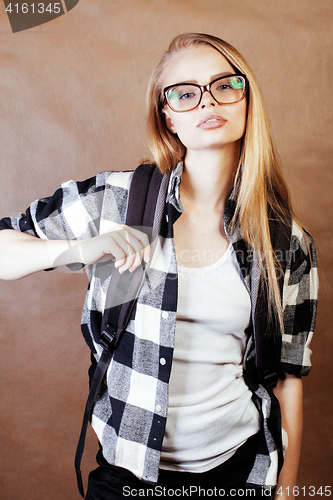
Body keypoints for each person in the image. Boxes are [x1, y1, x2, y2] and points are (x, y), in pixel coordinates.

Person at [0, 33, 318, 500]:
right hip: (129, 476)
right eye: (185, 93)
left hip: (241, 473)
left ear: (247, 97)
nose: (208, 101)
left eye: (225, 85)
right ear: (167, 117)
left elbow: (288, 375)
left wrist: (287, 493)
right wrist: (78, 252)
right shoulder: (115, 201)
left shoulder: (285, 240)